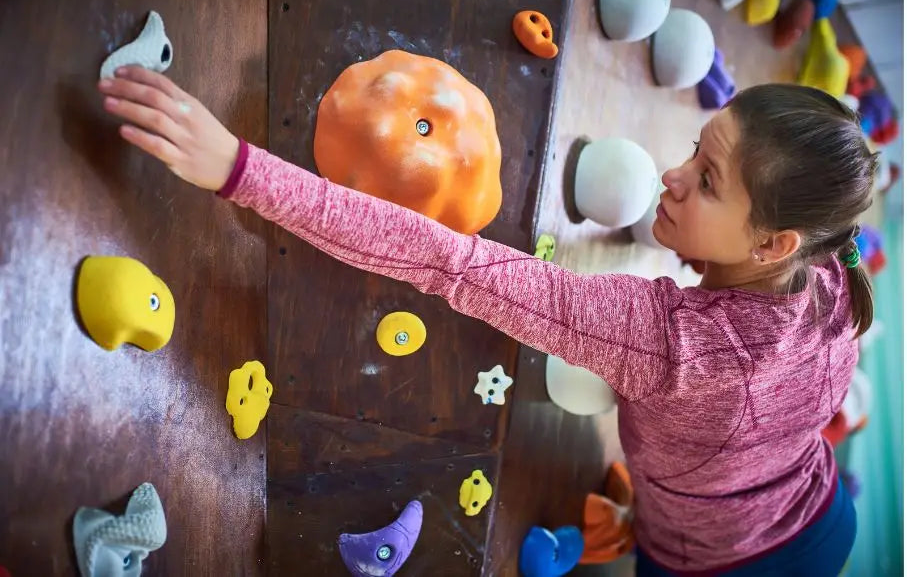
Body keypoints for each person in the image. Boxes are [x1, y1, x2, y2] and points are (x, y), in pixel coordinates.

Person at [99, 67, 875, 576]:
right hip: (805, 504)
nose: (670, 177)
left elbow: (448, 262)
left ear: (774, 243)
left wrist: (239, 169)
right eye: (693, 152)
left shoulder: (667, 343)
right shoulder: (826, 268)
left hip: (730, 561)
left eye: (705, 181)